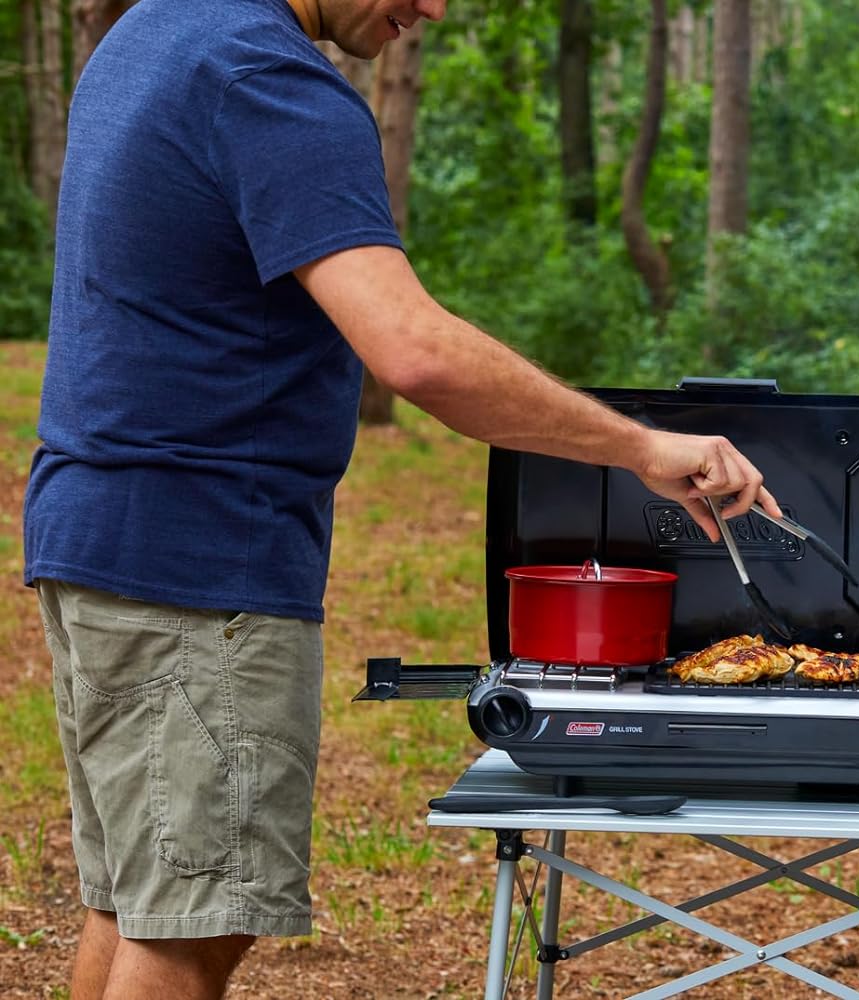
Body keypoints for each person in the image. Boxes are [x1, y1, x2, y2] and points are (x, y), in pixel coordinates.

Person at [22, 0, 780, 997]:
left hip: (94, 533)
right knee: (192, 926)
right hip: (199, 564)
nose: (432, 9)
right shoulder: (273, 81)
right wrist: (639, 446)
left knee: (135, 900)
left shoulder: (154, 30)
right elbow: (413, 350)